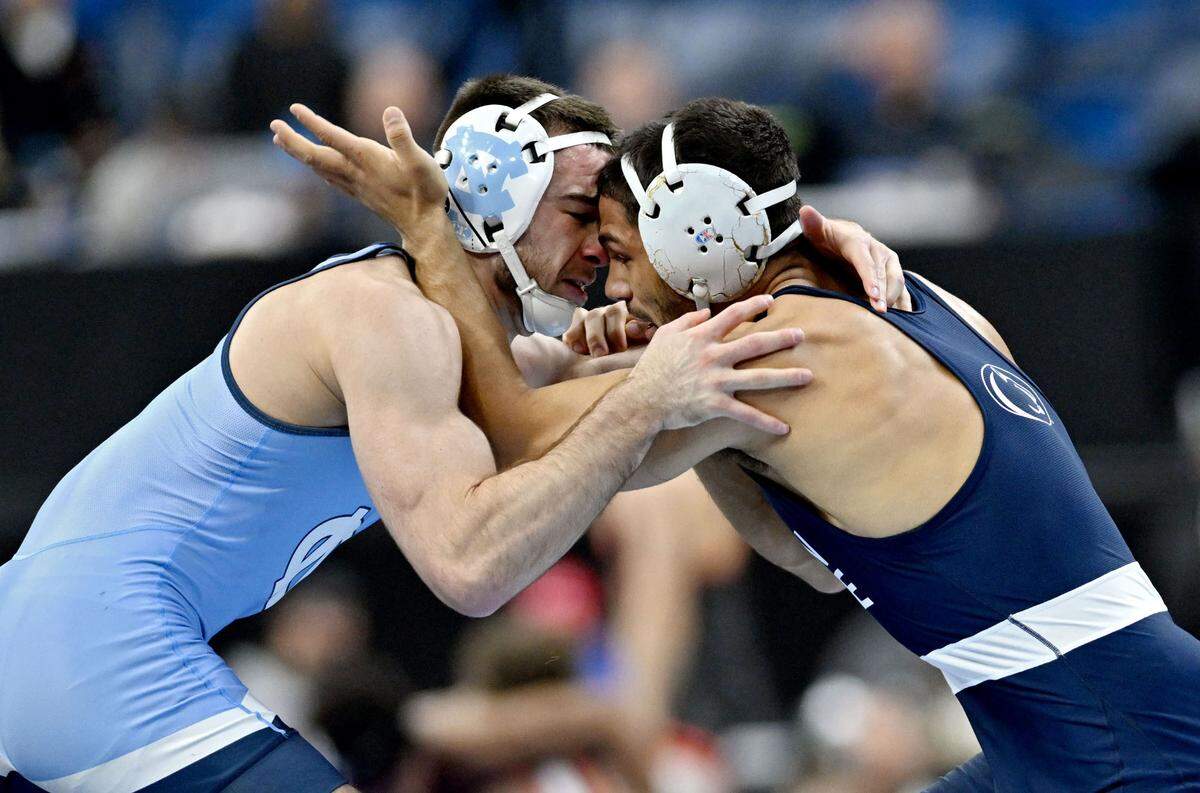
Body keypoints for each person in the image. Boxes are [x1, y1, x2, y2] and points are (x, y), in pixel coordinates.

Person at [279, 93, 1200, 791]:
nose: (611, 288)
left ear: (697, 239)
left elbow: (517, 433)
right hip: (1081, 729)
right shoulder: (905, 299)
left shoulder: (776, 348)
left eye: (626, 256)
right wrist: (651, 376)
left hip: (1118, 745)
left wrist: (431, 237)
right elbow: (803, 552)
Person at [0, 81, 899, 793]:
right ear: (495, 188)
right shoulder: (386, 318)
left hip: (62, 639)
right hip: (97, 639)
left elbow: (625, 435)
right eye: (586, 209)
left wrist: (805, 259)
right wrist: (647, 396)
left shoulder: (466, 350)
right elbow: (470, 564)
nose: (605, 242)